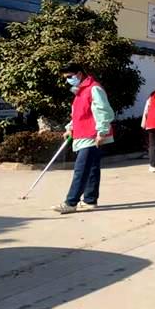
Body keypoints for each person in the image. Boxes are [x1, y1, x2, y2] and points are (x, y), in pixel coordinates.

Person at [53, 63, 114, 214]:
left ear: (79, 74)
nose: (68, 80)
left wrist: (102, 131)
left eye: (69, 76)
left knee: (81, 169)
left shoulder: (94, 88)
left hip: (92, 135)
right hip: (82, 134)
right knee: (92, 168)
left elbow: (104, 111)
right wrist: (70, 127)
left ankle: (71, 202)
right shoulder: (80, 91)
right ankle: (90, 200)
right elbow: (79, 114)